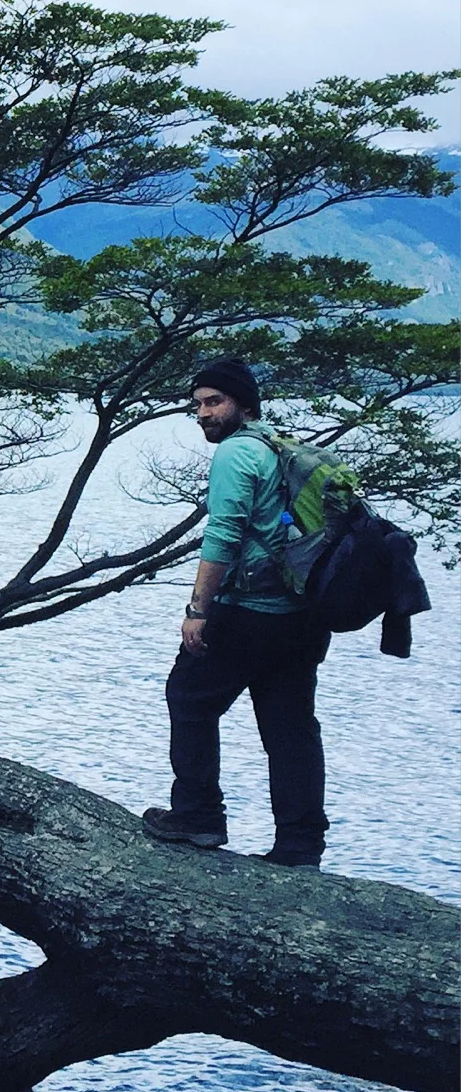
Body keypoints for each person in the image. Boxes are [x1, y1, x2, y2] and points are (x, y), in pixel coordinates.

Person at [140, 357, 329, 867]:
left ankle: (199, 816)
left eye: (213, 401)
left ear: (244, 404)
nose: (202, 413)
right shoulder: (280, 448)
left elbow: (223, 534)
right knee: (290, 730)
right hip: (301, 617)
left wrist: (197, 609)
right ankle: (300, 844)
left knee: (189, 699)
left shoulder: (235, 454)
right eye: (196, 404)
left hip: (248, 613)